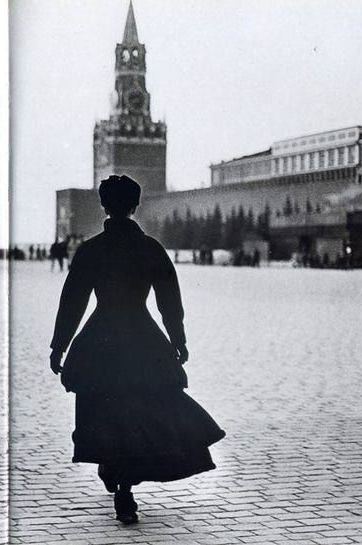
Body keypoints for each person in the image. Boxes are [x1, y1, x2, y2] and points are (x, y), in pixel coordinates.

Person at [49, 175, 225, 525]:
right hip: (142, 341)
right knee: (136, 414)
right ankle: (125, 483)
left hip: (99, 342)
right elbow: (168, 300)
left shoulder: (92, 250)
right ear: (135, 206)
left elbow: (73, 302)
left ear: (104, 205)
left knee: (104, 411)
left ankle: (115, 472)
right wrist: (178, 339)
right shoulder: (150, 249)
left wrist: (60, 345)